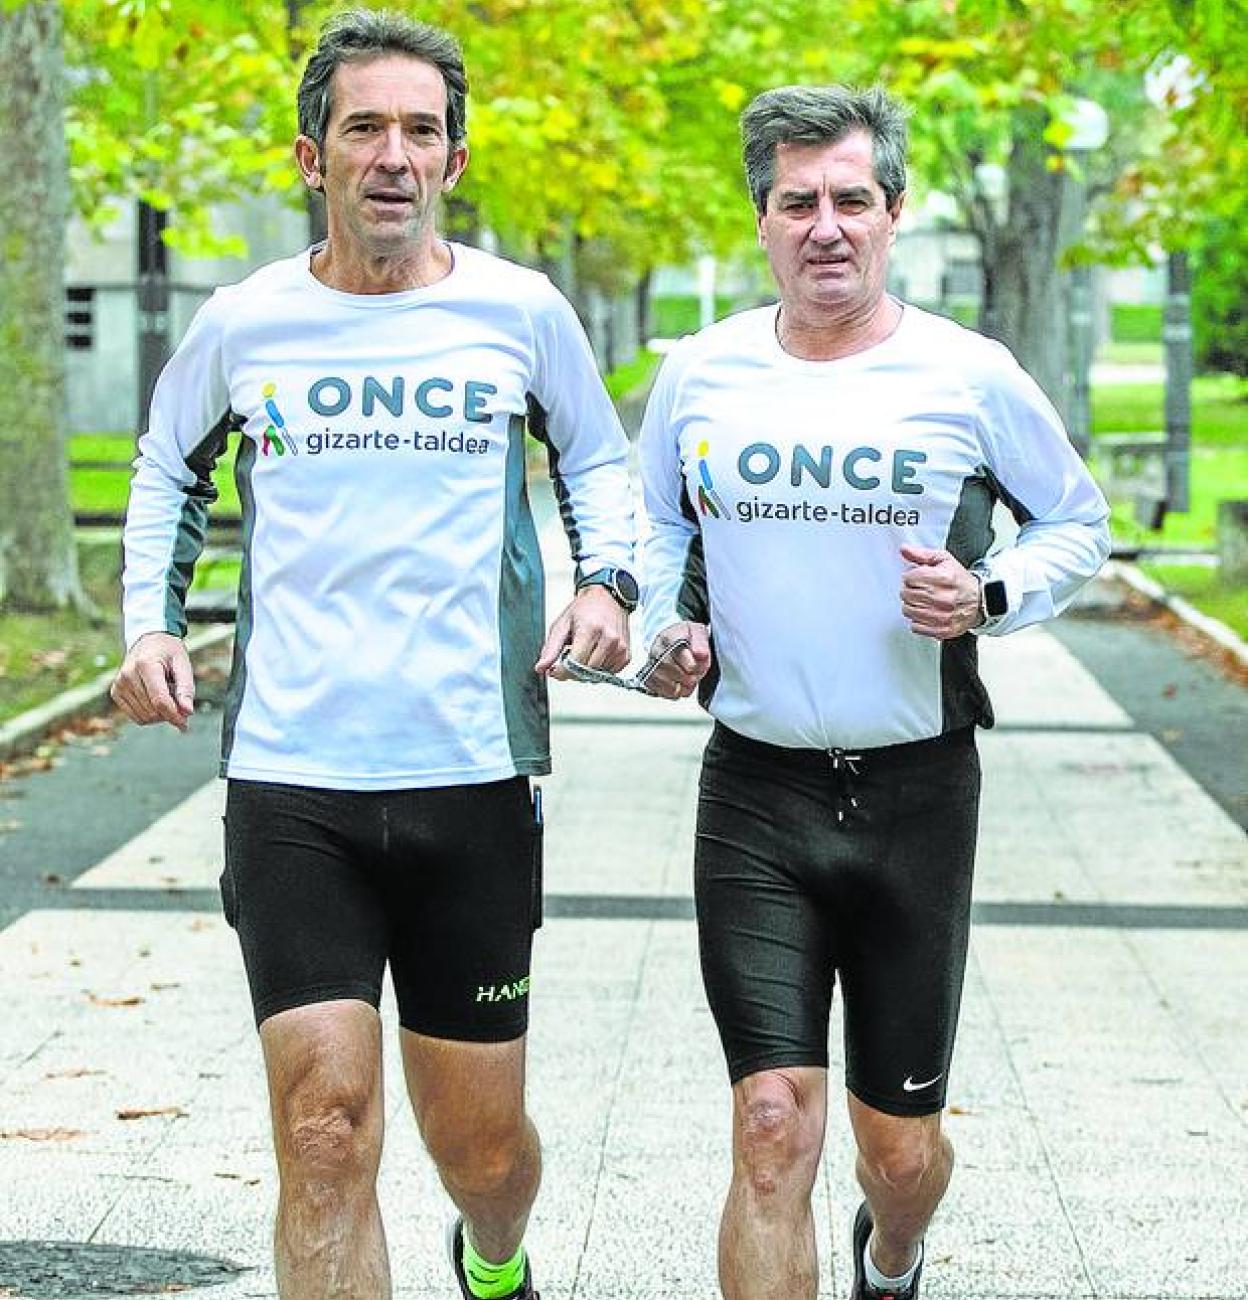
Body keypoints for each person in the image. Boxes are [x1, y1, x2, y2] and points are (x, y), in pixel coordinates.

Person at [110, 10, 638, 1297]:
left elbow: (599, 460)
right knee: (324, 1132)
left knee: (483, 1149)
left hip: (468, 779)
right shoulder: (247, 321)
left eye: (421, 130)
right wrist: (150, 624)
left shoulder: (520, 311)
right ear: (312, 156)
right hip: (294, 782)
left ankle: (494, 1252)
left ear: (455, 161)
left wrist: (612, 585)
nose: (393, 154)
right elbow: (165, 470)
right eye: (366, 128)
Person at [637, 85, 1110, 1300]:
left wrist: (988, 594)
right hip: (754, 789)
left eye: (853, 199)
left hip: (915, 794)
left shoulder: (969, 373)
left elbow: (1076, 524)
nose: (826, 226)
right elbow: (652, 536)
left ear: (894, 213)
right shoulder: (701, 374)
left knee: (897, 1153)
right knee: (771, 1126)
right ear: (762, 219)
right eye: (799, 202)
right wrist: (666, 630)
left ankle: (891, 1255)